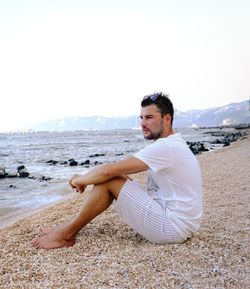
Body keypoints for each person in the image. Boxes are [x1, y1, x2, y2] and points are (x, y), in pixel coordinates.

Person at [31, 92, 203, 249]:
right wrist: (97, 176)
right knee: (116, 175)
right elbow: (116, 171)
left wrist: (79, 180)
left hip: (172, 228)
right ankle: (65, 228)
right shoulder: (172, 144)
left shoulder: (166, 147)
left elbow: (108, 171)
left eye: (149, 117)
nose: (143, 123)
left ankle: (66, 235)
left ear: (167, 119)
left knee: (110, 178)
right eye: (141, 117)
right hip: (181, 222)